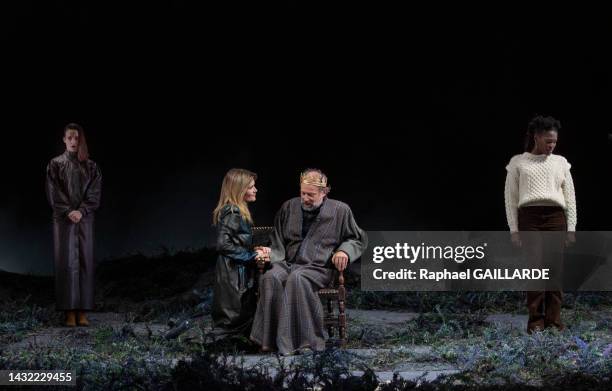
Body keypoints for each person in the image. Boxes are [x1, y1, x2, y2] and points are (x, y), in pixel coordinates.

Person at [250, 168, 367, 354]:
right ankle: (268, 342)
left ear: (324, 192)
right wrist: (270, 253)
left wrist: (344, 251)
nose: (305, 198)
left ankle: (306, 342)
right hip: (287, 263)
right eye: (302, 193)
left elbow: (357, 239)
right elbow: (278, 240)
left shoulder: (340, 210)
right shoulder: (289, 207)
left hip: (318, 268)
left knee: (297, 279)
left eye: (310, 195)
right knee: (270, 278)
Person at [504, 115, 577, 333]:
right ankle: (536, 322)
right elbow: (511, 198)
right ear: (536, 137)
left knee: (555, 272)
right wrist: (514, 230)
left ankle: (554, 322)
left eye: (554, 141)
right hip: (530, 219)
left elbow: (570, 197)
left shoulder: (560, 162)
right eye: (547, 141)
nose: (551, 146)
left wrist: (571, 229)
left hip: (556, 218)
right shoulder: (518, 162)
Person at [46, 123, 102, 327]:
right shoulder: (55, 164)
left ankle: (83, 311)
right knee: (66, 263)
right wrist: (69, 210)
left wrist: (82, 210)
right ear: (63, 139)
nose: (73, 141)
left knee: (85, 262)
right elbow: (53, 191)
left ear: (81, 140)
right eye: (69, 137)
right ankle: (69, 311)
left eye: (76, 138)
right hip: (63, 221)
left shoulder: (91, 166)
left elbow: (95, 192)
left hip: (84, 220)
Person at [211, 168, 270, 337]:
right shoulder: (232, 211)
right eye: (251, 187)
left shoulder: (237, 210)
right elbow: (223, 245)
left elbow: (236, 241)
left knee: (238, 313)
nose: (255, 189)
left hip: (233, 269)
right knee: (234, 315)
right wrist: (253, 256)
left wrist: (255, 249)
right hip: (232, 271)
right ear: (240, 189)